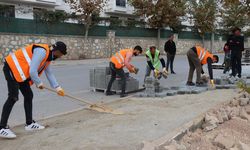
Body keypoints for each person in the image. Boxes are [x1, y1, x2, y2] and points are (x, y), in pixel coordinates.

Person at [0, 41, 67, 138]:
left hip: (20, 73)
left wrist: (57, 87)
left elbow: (49, 73)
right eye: (61, 54)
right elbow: (32, 71)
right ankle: (2, 128)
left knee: (28, 95)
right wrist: (38, 83)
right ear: (57, 51)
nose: (61, 56)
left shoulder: (49, 57)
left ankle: (29, 124)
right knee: (13, 97)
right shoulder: (42, 52)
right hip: (11, 68)